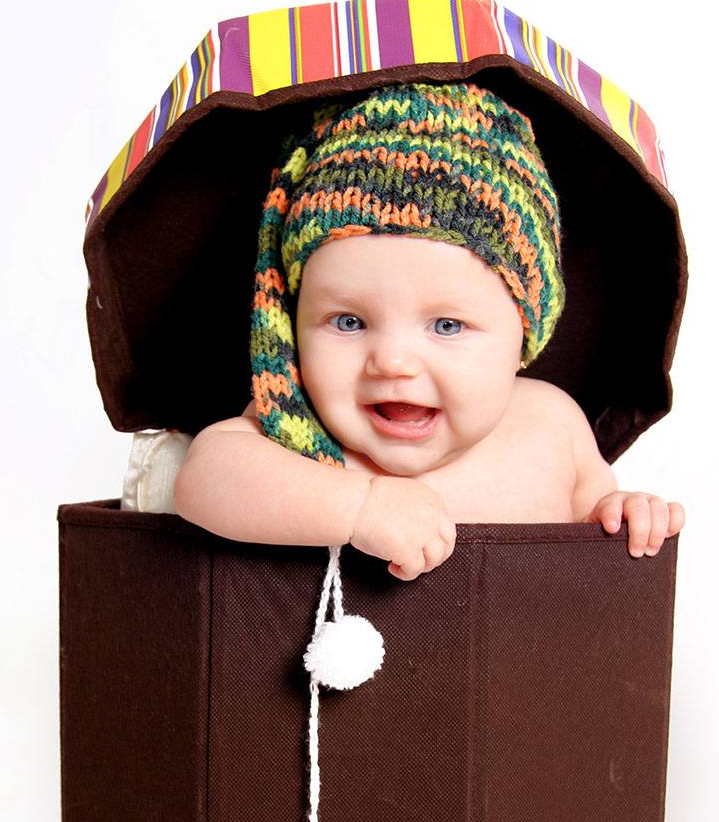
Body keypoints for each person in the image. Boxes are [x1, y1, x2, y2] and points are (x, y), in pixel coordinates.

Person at [174, 82, 684, 581]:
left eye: (446, 325)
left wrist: (622, 512)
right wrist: (357, 506)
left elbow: (595, 518)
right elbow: (204, 477)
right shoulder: (296, 424)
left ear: (525, 336)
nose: (392, 361)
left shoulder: (552, 425)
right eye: (349, 322)